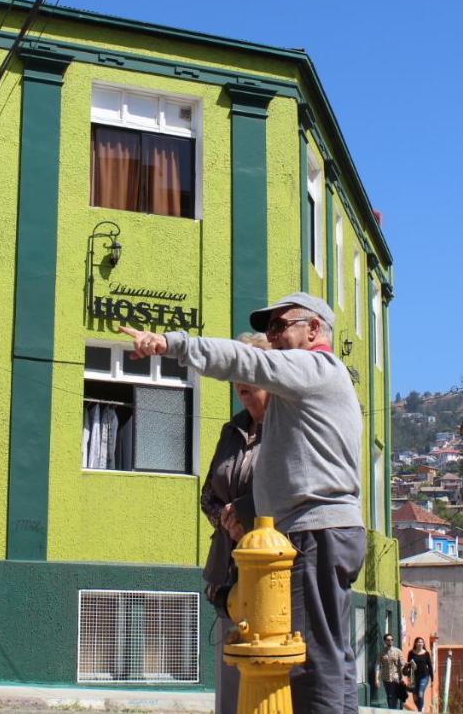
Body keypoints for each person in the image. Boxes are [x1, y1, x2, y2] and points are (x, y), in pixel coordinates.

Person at [121, 291, 365, 714]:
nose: (270, 337)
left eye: (279, 326)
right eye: (266, 329)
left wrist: (168, 343)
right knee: (331, 655)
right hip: (325, 529)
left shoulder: (311, 367)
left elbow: (243, 359)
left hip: (315, 531)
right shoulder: (309, 385)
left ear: (313, 330)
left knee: (310, 659)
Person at [200, 333, 270, 714]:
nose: (241, 384)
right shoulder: (230, 431)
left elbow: (292, 493)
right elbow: (207, 494)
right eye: (235, 376)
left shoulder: (286, 428)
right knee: (229, 681)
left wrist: (247, 517)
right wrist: (227, 521)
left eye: (248, 373)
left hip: (269, 577)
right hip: (226, 573)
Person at [374, 633, 407, 709]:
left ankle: (393, 710)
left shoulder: (398, 651)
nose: (390, 641)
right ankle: (392, 710)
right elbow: (377, 665)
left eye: (392, 640)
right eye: (388, 640)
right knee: (389, 696)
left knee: (393, 695)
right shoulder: (381, 652)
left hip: (396, 677)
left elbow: (402, 664)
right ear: (385, 641)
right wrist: (376, 679)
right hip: (385, 677)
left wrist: (402, 676)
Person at [406, 637, 433, 712]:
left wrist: (432, 679)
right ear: (415, 643)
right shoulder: (411, 653)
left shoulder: (426, 653)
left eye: (422, 642)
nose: (420, 643)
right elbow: (409, 666)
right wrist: (408, 676)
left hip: (424, 676)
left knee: (420, 693)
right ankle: (421, 708)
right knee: (415, 697)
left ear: (423, 644)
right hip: (414, 677)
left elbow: (430, 666)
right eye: (418, 642)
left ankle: (420, 711)